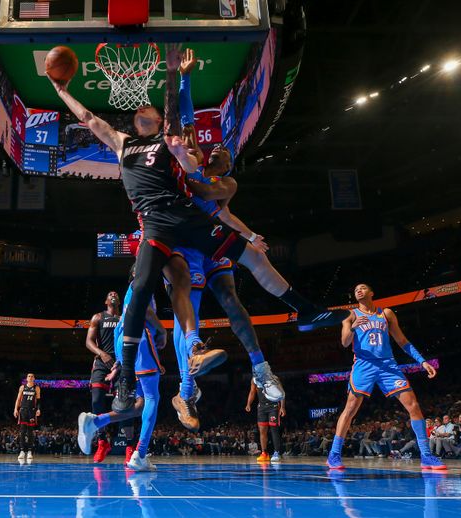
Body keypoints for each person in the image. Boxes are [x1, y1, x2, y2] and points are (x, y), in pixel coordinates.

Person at [50, 45, 346, 414]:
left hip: (188, 218)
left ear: (158, 122)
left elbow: (177, 114)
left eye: (151, 110)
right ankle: (131, 379)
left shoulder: (170, 141)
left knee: (252, 258)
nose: (143, 109)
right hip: (155, 223)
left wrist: (173, 74)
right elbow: (92, 119)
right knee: (142, 288)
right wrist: (62, 91)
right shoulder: (123, 144)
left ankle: (304, 310)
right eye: (140, 109)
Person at [326, 283, 445, 470]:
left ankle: (426, 456)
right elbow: (344, 342)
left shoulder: (386, 313)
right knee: (350, 408)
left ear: (371, 293)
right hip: (364, 365)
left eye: (363, 287)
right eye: (356, 289)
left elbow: (403, 341)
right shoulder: (351, 315)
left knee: (413, 405)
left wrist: (422, 361)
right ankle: (334, 454)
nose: (358, 290)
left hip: (388, 365)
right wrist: (354, 327)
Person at [77, 267, 167, 472]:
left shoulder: (128, 293)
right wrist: (161, 329)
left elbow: (119, 330)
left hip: (125, 342)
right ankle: (140, 454)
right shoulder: (142, 281)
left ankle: (96, 422)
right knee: (153, 398)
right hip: (140, 337)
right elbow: (144, 307)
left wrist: (120, 361)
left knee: (140, 406)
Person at [85, 291, 122, 461]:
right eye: (110, 294)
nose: (113, 295)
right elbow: (89, 342)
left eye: (116, 294)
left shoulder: (124, 319)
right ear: (106, 300)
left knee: (125, 402)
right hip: (102, 361)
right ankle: (102, 441)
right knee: (96, 399)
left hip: (120, 362)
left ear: (119, 301)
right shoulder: (98, 317)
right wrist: (102, 354)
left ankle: (130, 447)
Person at [246, 380, 285, 463]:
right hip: (261, 407)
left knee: (274, 429)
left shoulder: (273, 378)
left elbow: (281, 393)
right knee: (262, 431)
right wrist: (248, 403)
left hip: (273, 406)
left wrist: (282, 407)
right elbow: (252, 392)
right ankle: (264, 453)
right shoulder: (254, 379)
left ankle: (276, 452)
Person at [13, 373, 41, 462]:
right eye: (29, 376)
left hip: (32, 411)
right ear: (26, 378)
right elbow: (18, 399)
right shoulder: (22, 387)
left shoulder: (36, 388)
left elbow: (39, 400)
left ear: (34, 378)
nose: (30, 377)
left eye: (32, 376)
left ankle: (29, 451)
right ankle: (22, 451)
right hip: (23, 410)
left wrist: (38, 409)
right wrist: (15, 409)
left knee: (30, 432)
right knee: (22, 431)